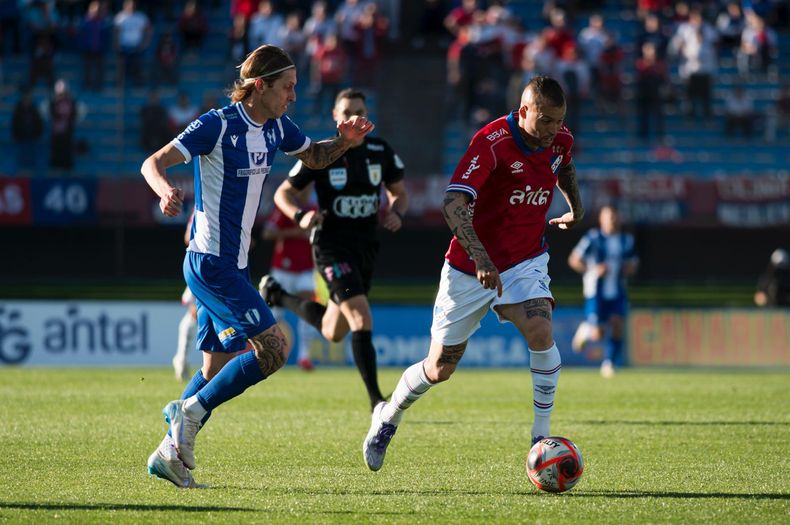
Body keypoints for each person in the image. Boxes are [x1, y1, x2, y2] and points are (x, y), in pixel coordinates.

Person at [142, 44, 375, 489]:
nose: (292, 96)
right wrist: (163, 190)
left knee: (215, 368)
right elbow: (152, 162)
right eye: (287, 87)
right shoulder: (217, 124)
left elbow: (315, 156)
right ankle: (187, 414)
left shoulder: (276, 128)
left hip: (236, 266)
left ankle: (168, 455)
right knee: (274, 349)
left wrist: (344, 142)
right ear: (259, 86)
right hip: (211, 264)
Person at [361, 76, 584, 471]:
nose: (553, 130)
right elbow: (452, 203)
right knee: (439, 368)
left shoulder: (559, 138)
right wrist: (480, 258)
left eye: (558, 121)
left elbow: (562, 166)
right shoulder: (492, 142)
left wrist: (576, 208)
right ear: (523, 111)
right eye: (545, 120)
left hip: (526, 259)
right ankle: (388, 414)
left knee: (540, 328)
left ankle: (540, 438)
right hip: (469, 265)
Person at [260, 88, 408, 412]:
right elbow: (283, 193)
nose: (354, 118)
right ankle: (377, 403)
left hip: (365, 247)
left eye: (359, 111)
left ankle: (279, 295)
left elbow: (399, 192)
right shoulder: (322, 152)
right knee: (361, 315)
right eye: (346, 113)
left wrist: (397, 211)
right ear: (335, 118)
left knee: (333, 330)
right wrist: (302, 215)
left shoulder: (381, 151)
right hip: (331, 246)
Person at [568, 205, 638, 378]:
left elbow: (633, 263)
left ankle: (609, 363)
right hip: (596, 291)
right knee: (598, 334)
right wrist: (592, 270)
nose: (612, 220)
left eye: (615, 217)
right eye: (609, 217)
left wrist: (629, 268)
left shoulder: (626, 240)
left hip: (617, 290)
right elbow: (574, 259)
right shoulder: (593, 238)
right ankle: (586, 329)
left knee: (617, 324)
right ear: (602, 219)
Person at [261, 189, 320, 371]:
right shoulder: (286, 209)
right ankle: (266, 354)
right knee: (274, 314)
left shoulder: (314, 210)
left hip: (306, 269)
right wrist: (295, 232)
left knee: (308, 311)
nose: (306, 192)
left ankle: (305, 357)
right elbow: (267, 233)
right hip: (283, 269)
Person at [173, 211, 198, 382]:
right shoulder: (202, 206)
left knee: (196, 313)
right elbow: (188, 236)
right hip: (204, 264)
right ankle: (181, 357)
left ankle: (181, 357)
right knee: (195, 311)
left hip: (224, 265)